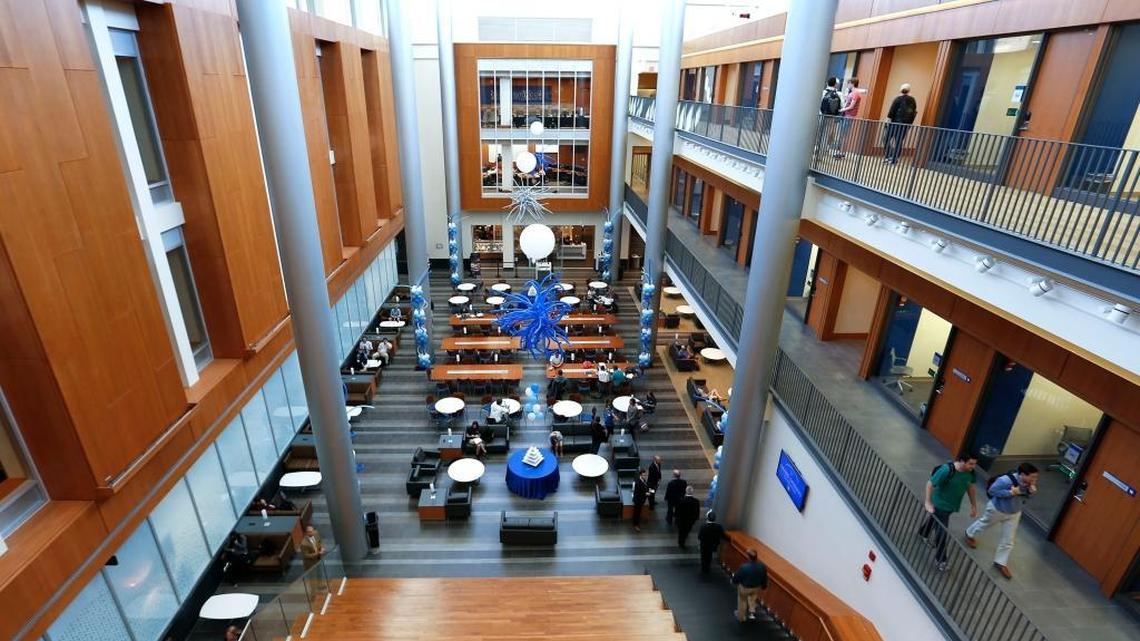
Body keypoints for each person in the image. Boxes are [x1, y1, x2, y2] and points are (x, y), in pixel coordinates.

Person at [965, 463, 1038, 579]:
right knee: (984, 524)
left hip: (1014, 512)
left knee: (1009, 539)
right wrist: (1011, 492)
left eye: (1035, 477)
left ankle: (1000, 562)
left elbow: (1026, 497)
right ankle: (969, 533)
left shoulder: (1029, 484)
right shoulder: (1005, 481)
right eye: (1033, 477)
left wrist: (1031, 492)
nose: (1035, 479)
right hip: (997, 509)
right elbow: (992, 491)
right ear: (1023, 474)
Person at [919, 453, 979, 571]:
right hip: (940, 505)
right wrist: (928, 502)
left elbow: (970, 487)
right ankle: (941, 560)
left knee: (935, 520)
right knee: (942, 532)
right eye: (970, 463)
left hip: (952, 506)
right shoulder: (946, 470)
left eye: (974, 464)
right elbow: (930, 484)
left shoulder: (970, 472)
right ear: (962, 461)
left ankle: (923, 532)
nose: (973, 467)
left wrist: (974, 505)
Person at [732, 548, 769, 622]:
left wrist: (734, 581)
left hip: (745, 588)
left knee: (742, 601)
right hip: (756, 587)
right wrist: (764, 586)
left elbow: (737, 577)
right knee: (752, 599)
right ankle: (752, 613)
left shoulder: (744, 567)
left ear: (748, 557)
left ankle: (741, 617)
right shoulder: (762, 566)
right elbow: (764, 577)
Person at [884, 83, 917, 164]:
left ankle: (889, 156)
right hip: (905, 125)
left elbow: (891, 112)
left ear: (900, 89)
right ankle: (894, 159)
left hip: (894, 124)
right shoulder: (912, 100)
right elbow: (914, 113)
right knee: (898, 142)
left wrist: (887, 122)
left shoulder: (897, 99)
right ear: (909, 90)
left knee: (886, 139)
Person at [833, 78, 863, 158]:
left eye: (848, 83)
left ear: (852, 84)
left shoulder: (855, 93)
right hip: (847, 115)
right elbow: (848, 102)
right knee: (843, 135)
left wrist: (841, 110)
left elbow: (851, 106)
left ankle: (841, 152)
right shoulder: (853, 93)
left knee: (843, 135)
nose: (847, 85)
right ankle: (841, 152)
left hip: (848, 116)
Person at [818, 77, 842, 156]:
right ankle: (822, 153)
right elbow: (841, 106)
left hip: (820, 115)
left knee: (818, 133)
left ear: (827, 83)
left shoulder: (823, 92)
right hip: (831, 117)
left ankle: (816, 149)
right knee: (826, 134)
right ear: (835, 85)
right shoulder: (839, 94)